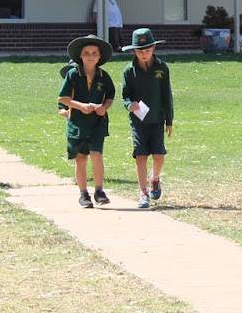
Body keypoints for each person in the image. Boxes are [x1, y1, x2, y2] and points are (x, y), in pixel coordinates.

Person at [59, 35, 117, 209]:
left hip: (97, 122)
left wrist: (104, 108)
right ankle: (83, 194)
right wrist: (81, 106)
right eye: (86, 53)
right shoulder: (73, 74)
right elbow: (63, 98)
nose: (90, 56)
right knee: (81, 158)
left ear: (99, 56)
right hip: (77, 123)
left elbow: (110, 96)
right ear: (80, 55)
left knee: (96, 154)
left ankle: (99, 191)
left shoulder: (103, 76)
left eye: (94, 53)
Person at [121, 28, 173, 209]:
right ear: (134, 51)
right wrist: (130, 105)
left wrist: (169, 120)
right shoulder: (129, 70)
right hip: (138, 121)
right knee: (141, 156)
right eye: (139, 51)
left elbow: (167, 96)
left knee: (159, 155)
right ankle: (143, 192)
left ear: (153, 49)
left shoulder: (162, 68)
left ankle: (155, 178)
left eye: (147, 50)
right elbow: (125, 96)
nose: (144, 54)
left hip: (157, 119)